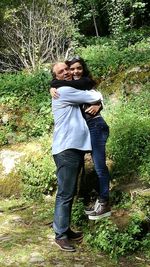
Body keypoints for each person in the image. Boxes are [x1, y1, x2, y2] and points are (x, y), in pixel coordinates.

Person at [50, 57, 111, 221]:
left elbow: (94, 95)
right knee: (92, 168)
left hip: (96, 125)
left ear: (83, 69)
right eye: (70, 69)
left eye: (78, 68)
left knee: (99, 166)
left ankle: (104, 202)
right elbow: (80, 95)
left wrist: (100, 103)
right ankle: (99, 202)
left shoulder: (84, 82)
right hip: (86, 131)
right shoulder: (68, 87)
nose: (73, 72)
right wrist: (53, 85)